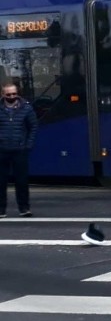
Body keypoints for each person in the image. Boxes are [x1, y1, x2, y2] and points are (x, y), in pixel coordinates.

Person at [0, 82, 38, 219]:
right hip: (2, 150)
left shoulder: (26, 108)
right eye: (8, 94)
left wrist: (28, 144)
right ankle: (1, 210)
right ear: (3, 94)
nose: (12, 96)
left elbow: (33, 127)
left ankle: (24, 208)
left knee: (21, 181)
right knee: (1, 182)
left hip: (20, 150)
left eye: (14, 93)